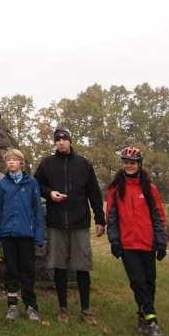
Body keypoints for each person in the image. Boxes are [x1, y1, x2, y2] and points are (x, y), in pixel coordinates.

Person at [34, 127, 105, 325]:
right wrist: (49, 194)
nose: (61, 142)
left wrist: (100, 219)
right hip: (56, 223)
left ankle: (85, 308)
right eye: (57, 139)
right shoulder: (47, 164)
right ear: (55, 143)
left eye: (64, 139)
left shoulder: (84, 164)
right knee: (59, 267)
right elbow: (35, 185)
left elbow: (94, 193)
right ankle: (63, 308)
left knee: (82, 267)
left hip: (79, 223)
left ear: (70, 141)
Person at [107, 146, 168, 336]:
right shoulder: (116, 189)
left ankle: (142, 315)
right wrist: (114, 240)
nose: (129, 166)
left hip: (147, 243)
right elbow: (112, 217)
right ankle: (152, 320)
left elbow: (158, 215)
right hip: (127, 245)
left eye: (132, 163)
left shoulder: (150, 188)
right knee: (138, 282)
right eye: (126, 162)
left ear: (139, 164)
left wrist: (161, 241)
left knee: (149, 283)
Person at [0, 149, 45, 321]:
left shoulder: (31, 183)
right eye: (8, 160)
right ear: (6, 164)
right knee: (11, 271)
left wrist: (38, 235)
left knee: (27, 271)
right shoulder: (2, 185)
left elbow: (37, 210)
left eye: (15, 160)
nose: (12, 163)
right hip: (8, 234)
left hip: (26, 234)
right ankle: (12, 306)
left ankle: (31, 305)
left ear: (21, 163)